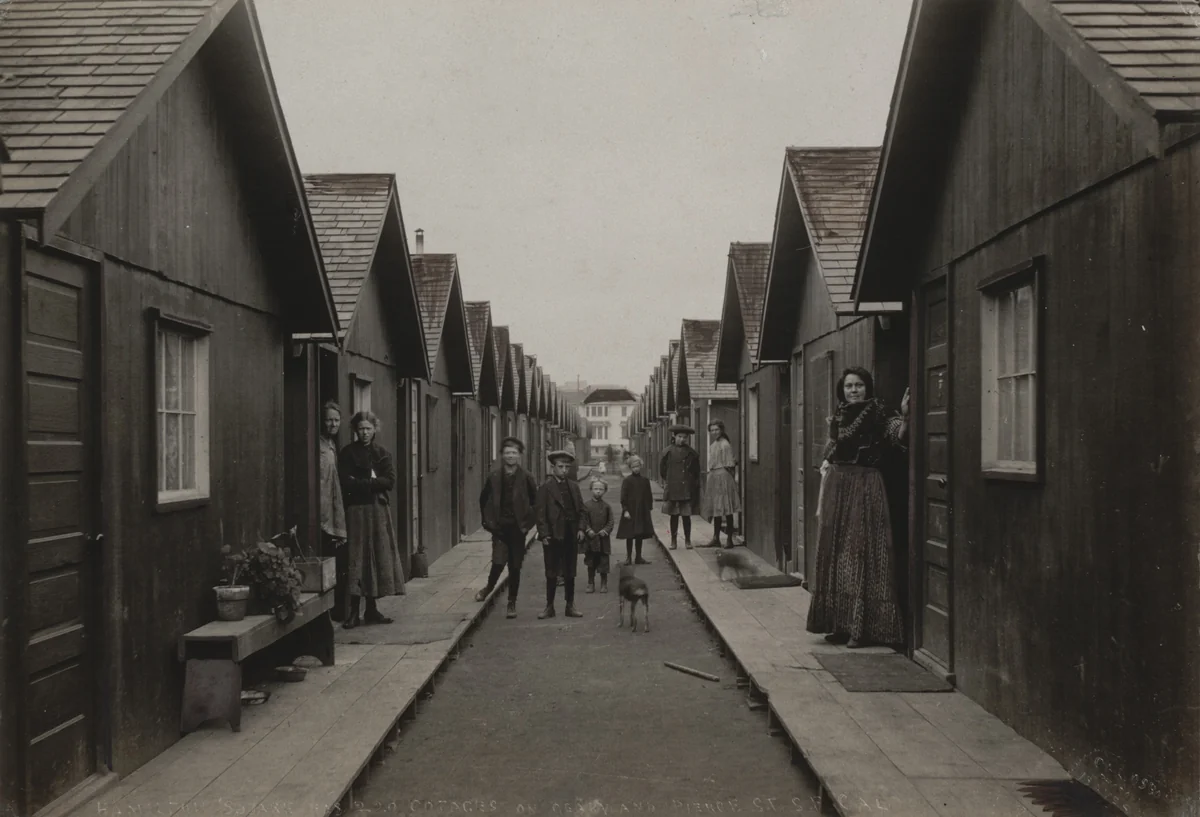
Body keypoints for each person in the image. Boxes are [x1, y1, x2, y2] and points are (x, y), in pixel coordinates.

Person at [805, 367, 910, 649]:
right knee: (837, 554)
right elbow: (830, 452)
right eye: (849, 386)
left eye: (859, 385)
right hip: (838, 487)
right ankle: (839, 624)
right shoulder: (839, 416)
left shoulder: (880, 413)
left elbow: (898, 436)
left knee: (861, 553)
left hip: (866, 486)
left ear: (868, 388)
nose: (854, 390)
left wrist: (906, 416)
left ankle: (862, 629)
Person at [338, 411, 406, 629]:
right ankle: (353, 612)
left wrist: (362, 481)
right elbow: (346, 484)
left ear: (375, 429)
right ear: (355, 430)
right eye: (361, 429)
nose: (365, 433)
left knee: (376, 555)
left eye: (368, 428)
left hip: (378, 511)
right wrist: (373, 481)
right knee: (358, 557)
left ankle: (372, 609)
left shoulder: (382, 453)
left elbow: (390, 481)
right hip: (357, 512)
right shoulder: (347, 453)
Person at [475, 436, 539, 618]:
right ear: (502, 455)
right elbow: (484, 500)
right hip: (499, 528)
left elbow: (536, 503)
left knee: (515, 566)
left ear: (519, 456)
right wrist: (488, 522)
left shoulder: (526, 477)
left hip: (518, 529)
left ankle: (512, 602)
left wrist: (527, 525)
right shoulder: (494, 477)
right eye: (507, 453)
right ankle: (488, 588)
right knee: (497, 562)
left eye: (514, 453)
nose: (511, 456)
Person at [535, 450, 586, 619]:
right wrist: (544, 534)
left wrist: (580, 528)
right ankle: (549, 607)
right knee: (551, 571)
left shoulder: (574, 486)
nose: (564, 470)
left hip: (571, 534)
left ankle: (570, 606)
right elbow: (540, 513)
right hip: (553, 536)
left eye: (567, 467)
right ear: (553, 467)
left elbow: (582, 510)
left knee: (570, 571)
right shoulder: (545, 488)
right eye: (560, 466)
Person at [319, 401, 348, 620]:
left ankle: (335, 611)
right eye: (329, 419)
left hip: (333, 508)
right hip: (321, 510)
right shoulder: (318, 445)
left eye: (337, 420)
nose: (333, 424)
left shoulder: (331, 445)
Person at [658, 424, 701, 549]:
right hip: (673, 488)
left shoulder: (692, 454)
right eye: (679, 437)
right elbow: (662, 470)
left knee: (686, 516)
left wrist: (690, 483)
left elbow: (696, 472)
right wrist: (670, 481)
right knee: (674, 515)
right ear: (674, 437)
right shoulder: (667, 452)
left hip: (686, 489)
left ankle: (687, 540)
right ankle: (673, 540)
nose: (682, 440)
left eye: (684, 437)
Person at [701, 419, 741, 549]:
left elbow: (730, 464)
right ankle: (716, 538)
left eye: (716, 430)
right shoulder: (713, 445)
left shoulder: (725, 444)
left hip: (723, 477)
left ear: (721, 430)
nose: (714, 432)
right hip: (713, 477)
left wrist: (730, 480)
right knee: (716, 509)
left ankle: (729, 539)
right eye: (712, 430)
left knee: (726, 508)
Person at [617, 455, 654, 565]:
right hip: (631, 511)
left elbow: (649, 495)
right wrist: (625, 510)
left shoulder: (645, 480)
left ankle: (638, 557)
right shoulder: (627, 481)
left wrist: (649, 508)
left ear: (641, 466)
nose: (636, 469)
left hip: (642, 510)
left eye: (637, 466)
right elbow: (623, 497)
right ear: (630, 468)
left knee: (639, 534)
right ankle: (628, 557)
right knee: (630, 534)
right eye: (633, 467)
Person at [581, 478, 615, 593]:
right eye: (595, 489)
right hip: (590, 539)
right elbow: (583, 520)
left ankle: (604, 583)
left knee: (603, 562)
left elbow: (610, 521)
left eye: (601, 489)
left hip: (603, 540)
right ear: (591, 489)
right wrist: (588, 530)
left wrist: (605, 530)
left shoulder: (607, 506)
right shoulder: (586, 505)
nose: (598, 491)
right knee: (591, 561)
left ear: (605, 491)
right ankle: (590, 583)